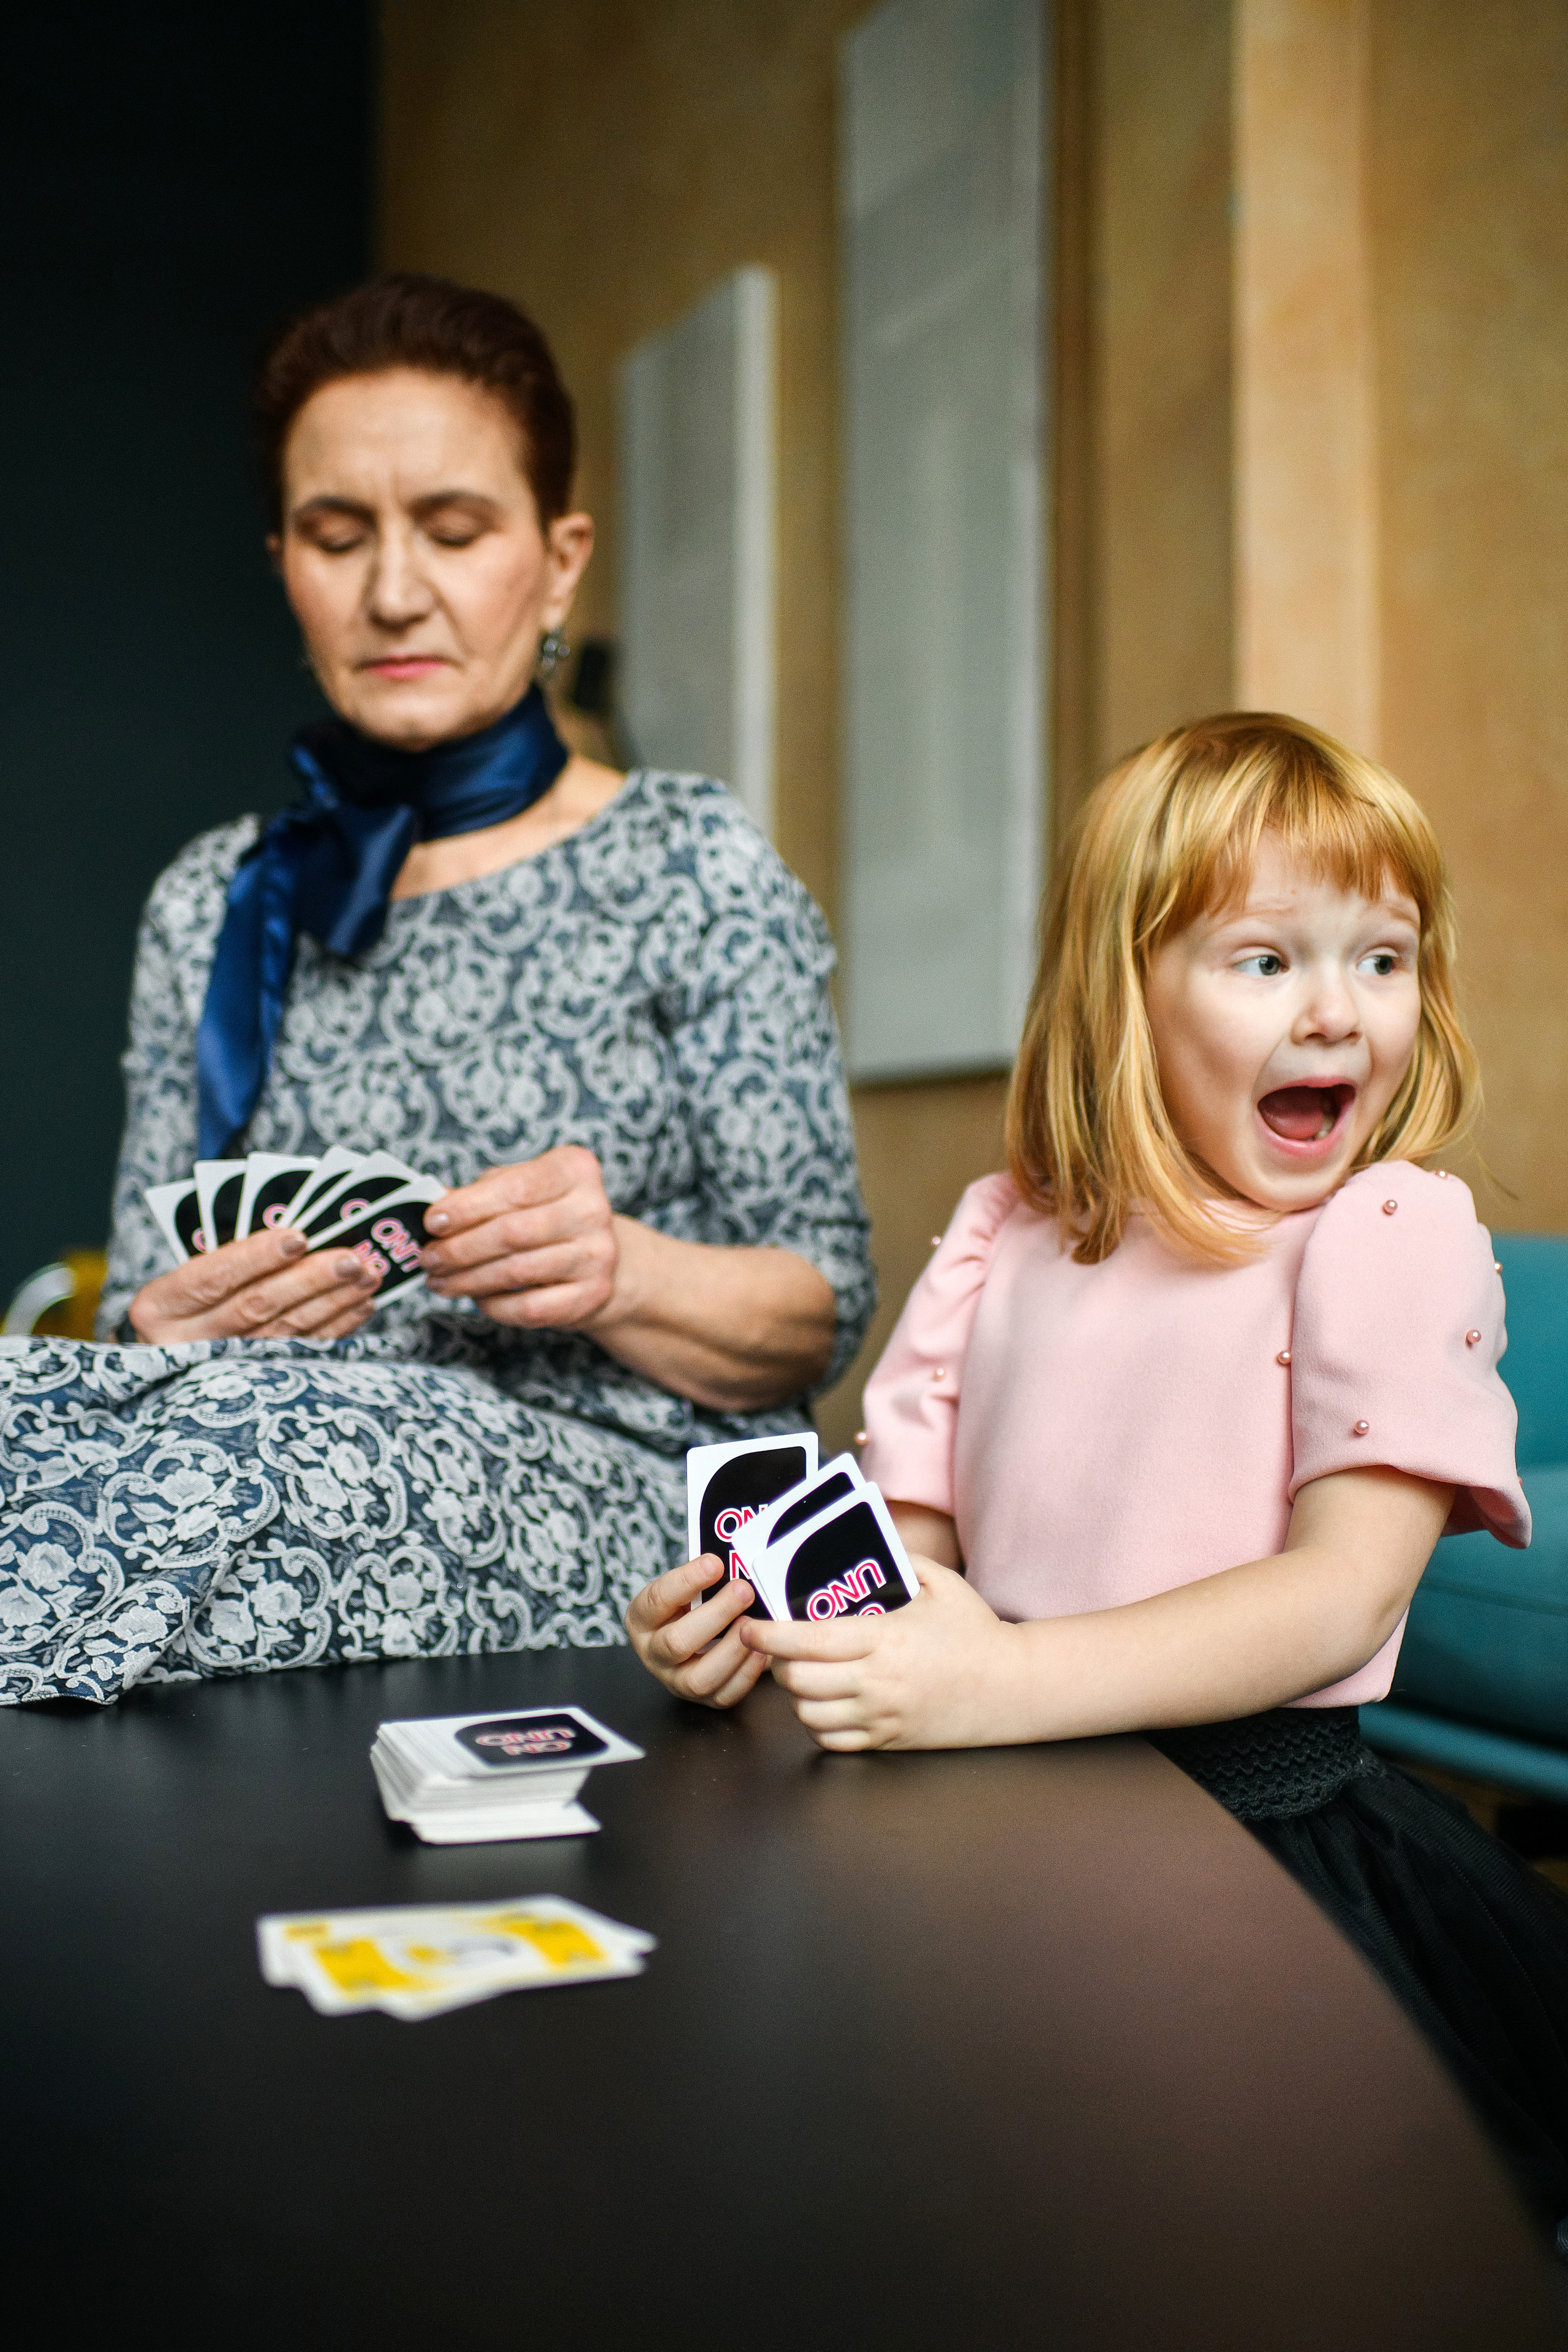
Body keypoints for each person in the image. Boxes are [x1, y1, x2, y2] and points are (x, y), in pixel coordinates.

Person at [628, 711, 1568, 2236]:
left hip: (1260, 1857)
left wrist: (998, 1679)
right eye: (1264, 960)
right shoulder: (1005, 1230)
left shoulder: (1386, 1235)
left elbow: (1339, 1597)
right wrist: (755, 1628)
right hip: (988, 1830)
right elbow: (902, 1562)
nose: (1336, 1013)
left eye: (1381, 959)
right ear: (1121, 991)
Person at [0, 273, 872, 1706]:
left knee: (258, 1455)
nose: (393, 591)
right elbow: (127, 1335)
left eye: (454, 531)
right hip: (252, 1443)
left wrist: (620, 1271)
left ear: (559, 559)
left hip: (625, 1496)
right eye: (337, 536)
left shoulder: (689, 860)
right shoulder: (212, 897)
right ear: (284, 560)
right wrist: (167, 1326)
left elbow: (817, 1309)